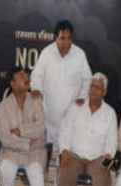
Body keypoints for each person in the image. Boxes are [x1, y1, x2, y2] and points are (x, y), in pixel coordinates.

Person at [57, 73, 118, 186]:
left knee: (104, 178)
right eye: (92, 86)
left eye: (98, 88)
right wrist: (64, 150)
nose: (93, 90)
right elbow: (65, 130)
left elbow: (112, 141)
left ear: (104, 92)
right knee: (63, 175)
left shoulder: (110, 113)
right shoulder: (76, 106)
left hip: (97, 158)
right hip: (75, 155)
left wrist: (108, 156)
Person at [0, 66, 48, 186]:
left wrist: (20, 131)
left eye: (27, 76)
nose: (26, 79)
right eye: (21, 77)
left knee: (36, 174)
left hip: (35, 152)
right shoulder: (4, 106)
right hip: (12, 151)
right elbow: (4, 137)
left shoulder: (35, 100)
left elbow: (40, 128)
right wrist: (26, 141)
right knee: (6, 169)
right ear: (12, 83)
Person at [30, 19, 92, 152]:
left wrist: (82, 96)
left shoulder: (79, 54)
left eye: (69, 39)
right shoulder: (47, 53)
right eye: (62, 38)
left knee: (67, 149)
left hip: (71, 110)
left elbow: (87, 79)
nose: (66, 42)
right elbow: (37, 75)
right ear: (55, 38)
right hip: (50, 111)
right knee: (49, 149)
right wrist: (36, 89)